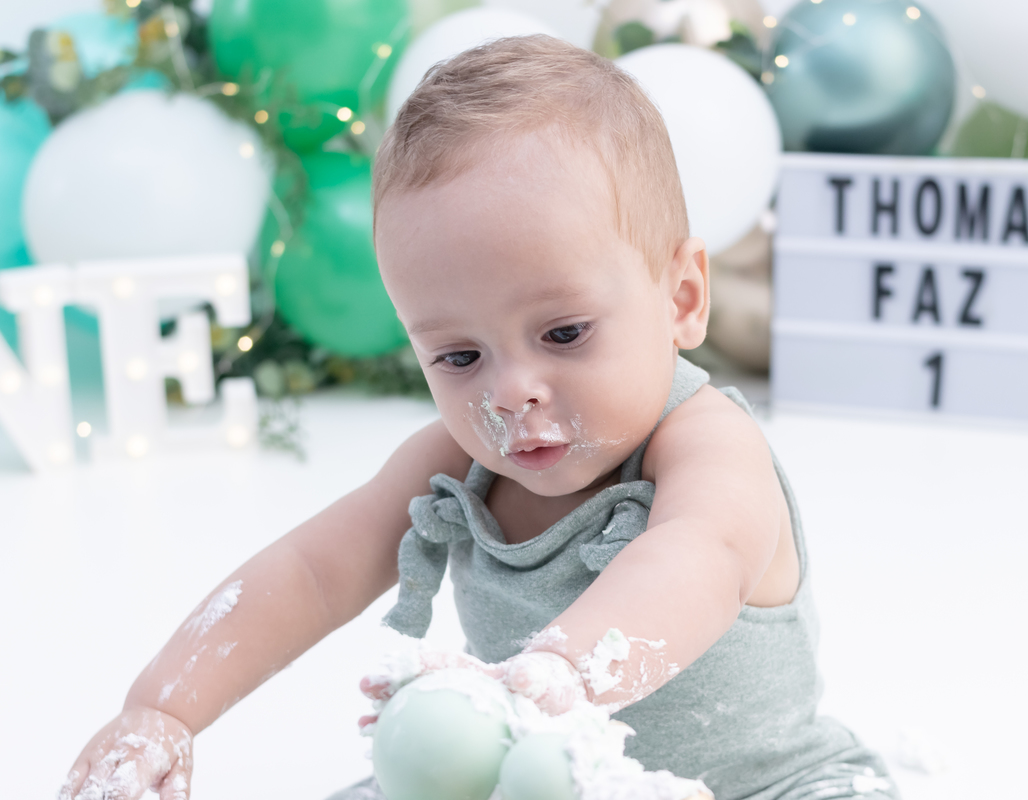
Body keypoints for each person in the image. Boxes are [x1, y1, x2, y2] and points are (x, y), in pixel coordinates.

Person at [60, 36, 898, 800]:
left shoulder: (708, 447)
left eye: (564, 334)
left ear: (681, 299)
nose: (508, 394)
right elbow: (311, 571)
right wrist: (162, 707)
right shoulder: (455, 467)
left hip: (764, 787)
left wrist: (558, 673)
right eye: (459, 357)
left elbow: (700, 557)